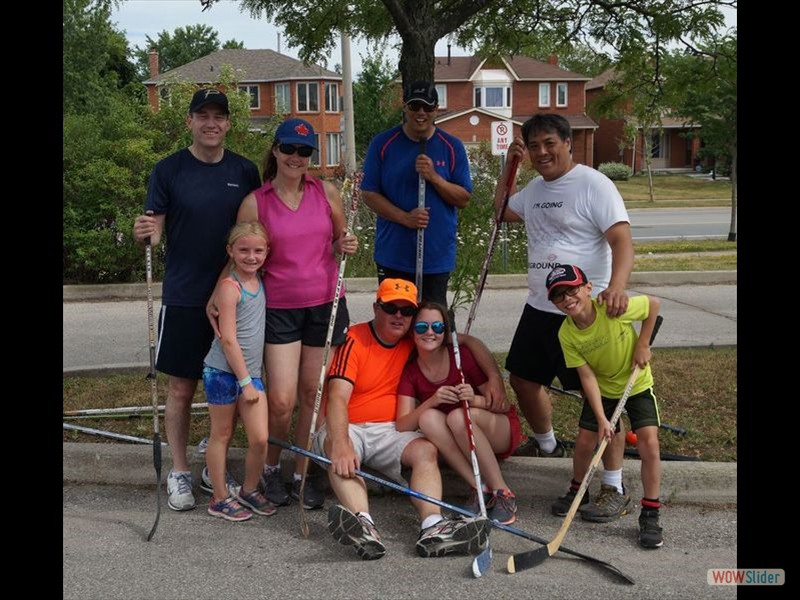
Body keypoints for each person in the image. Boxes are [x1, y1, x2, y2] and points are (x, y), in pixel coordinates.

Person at [209, 117, 358, 511]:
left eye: (304, 151)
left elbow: (340, 241)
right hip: (279, 309)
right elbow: (242, 251)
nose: (296, 157)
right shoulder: (256, 201)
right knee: (281, 400)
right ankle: (271, 467)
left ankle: (302, 473)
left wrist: (348, 243)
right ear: (275, 150)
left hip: (324, 303)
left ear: (312, 156)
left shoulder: (326, 192)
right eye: (289, 148)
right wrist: (219, 291)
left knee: (313, 393)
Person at [496, 113, 635, 523]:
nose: (541, 152)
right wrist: (510, 166)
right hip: (540, 306)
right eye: (533, 146)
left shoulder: (594, 184)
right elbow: (500, 211)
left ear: (568, 142)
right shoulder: (535, 189)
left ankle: (612, 485)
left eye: (548, 143)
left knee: (604, 401)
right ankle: (548, 443)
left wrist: (618, 286)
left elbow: (622, 240)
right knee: (522, 377)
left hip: (584, 313)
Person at [313, 279, 507, 560]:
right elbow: (337, 398)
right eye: (390, 308)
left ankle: (432, 526)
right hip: (348, 426)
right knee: (340, 452)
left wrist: (494, 378)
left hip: (389, 430)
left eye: (406, 311)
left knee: (425, 450)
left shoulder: (414, 337)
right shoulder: (354, 339)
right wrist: (341, 441)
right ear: (375, 308)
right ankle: (363, 524)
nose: (399, 316)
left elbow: (464, 341)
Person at [132, 88, 261, 512]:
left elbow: (252, 235)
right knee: (183, 389)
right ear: (189, 121)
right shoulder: (168, 170)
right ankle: (181, 471)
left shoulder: (244, 171)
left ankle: (213, 459)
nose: (211, 123)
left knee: (231, 386)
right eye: (202, 115)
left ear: (228, 123)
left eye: (219, 116)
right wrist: (145, 233)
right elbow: (156, 227)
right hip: (185, 295)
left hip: (233, 295)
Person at [546, 264, 664, 548]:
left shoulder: (611, 308)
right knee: (586, 441)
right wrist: (601, 418)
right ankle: (578, 490)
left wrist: (643, 344)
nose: (567, 299)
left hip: (636, 385)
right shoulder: (567, 334)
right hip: (603, 389)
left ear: (588, 288)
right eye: (558, 295)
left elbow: (653, 304)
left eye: (572, 289)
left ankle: (650, 513)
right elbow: (586, 376)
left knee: (648, 443)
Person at [396, 302, 523, 524]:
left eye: (437, 327)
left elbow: (501, 406)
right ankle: (479, 488)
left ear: (445, 332)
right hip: (461, 440)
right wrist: (433, 400)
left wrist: (473, 399)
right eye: (421, 327)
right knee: (427, 417)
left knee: (457, 416)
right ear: (412, 332)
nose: (429, 332)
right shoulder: (411, 371)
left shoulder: (460, 356)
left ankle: (503, 493)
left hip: (496, 432)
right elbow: (403, 424)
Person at [361, 81, 472, 305]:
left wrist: (434, 177)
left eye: (427, 107)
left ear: (436, 109)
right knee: (395, 321)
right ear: (405, 107)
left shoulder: (452, 146)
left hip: (435, 256)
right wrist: (405, 218)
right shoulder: (383, 143)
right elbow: (369, 194)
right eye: (415, 106)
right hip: (394, 255)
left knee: (431, 327)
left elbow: (463, 199)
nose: (421, 113)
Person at [203, 222, 275, 521]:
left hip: (250, 374)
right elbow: (228, 338)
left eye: (258, 250)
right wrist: (246, 382)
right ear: (230, 251)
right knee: (222, 432)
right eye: (243, 250)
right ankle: (219, 497)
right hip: (222, 372)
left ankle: (248, 489)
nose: (251, 256)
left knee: (260, 438)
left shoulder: (260, 282)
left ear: (266, 252)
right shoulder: (228, 288)